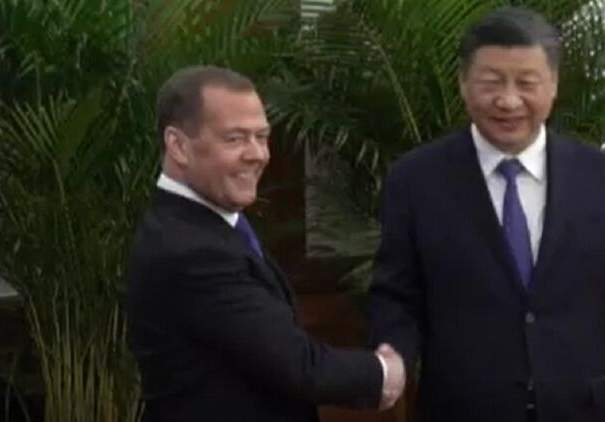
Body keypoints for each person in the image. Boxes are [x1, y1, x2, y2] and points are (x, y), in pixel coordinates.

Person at [368, 7, 605, 422]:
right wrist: (392, 351)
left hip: (586, 409)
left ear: (553, 85)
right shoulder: (416, 179)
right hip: (464, 409)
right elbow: (396, 293)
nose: (508, 101)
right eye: (491, 82)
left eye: (526, 83)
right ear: (463, 82)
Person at [125, 65, 404, 422]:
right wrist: (384, 371)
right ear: (178, 146)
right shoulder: (191, 251)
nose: (258, 154)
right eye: (235, 139)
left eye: (262, 136)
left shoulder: (207, 224)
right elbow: (298, 367)